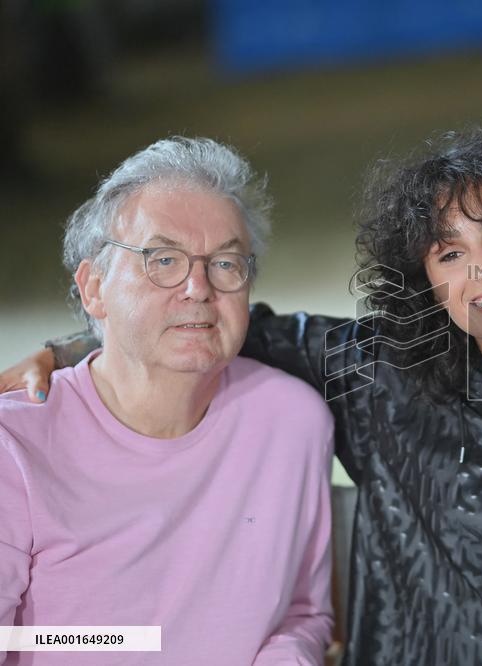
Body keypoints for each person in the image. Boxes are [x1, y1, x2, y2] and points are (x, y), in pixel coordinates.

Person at [2, 122, 482, 665]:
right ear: (425, 279)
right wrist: (71, 346)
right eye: (450, 253)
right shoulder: (379, 377)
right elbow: (202, 324)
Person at [0, 137, 334, 664]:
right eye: (162, 259)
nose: (198, 288)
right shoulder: (14, 448)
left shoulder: (291, 423)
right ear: (93, 289)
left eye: (225, 263)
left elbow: (303, 614)